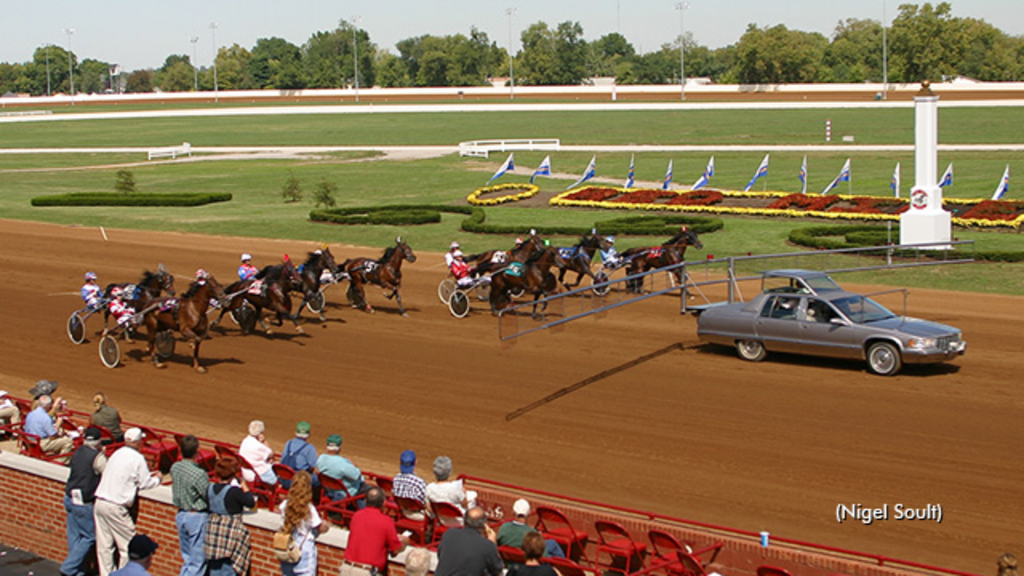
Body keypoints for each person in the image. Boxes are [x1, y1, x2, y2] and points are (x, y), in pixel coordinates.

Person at [94, 427, 162, 576]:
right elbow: (145, 483)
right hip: (116, 506)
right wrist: (158, 479)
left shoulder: (117, 454)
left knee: (104, 547)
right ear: (138, 442)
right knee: (128, 547)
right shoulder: (137, 458)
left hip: (100, 502)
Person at [61, 427, 108, 576]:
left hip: (69, 497)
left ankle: (78, 570)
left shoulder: (78, 451)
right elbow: (107, 473)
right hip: (83, 501)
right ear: (98, 441)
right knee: (90, 536)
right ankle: (69, 568)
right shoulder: (97, 457)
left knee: (74, 536)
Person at [339, 487, 410, 576]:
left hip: (347, 568)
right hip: (366, 571)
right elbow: (395, 548)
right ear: (384, 503)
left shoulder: (357, 516)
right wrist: (405, 542)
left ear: (365, 501)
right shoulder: (386, 521)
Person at [204, 457, 255, 576]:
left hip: (212, 536)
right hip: (229, 539)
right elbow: (251, 502)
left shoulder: (209, 489)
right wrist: (243, 484)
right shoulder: (234, 492)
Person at [170, 435, 209, 576]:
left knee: (187, 558)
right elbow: (207, 495)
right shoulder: (199, 474)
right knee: (197, 562)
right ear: (197, 452)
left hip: (181, 515)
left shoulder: (175, 467)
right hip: (196, 517)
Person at [278, 470, 324, 576]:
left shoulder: (285, 505)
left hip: (289, 548)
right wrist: (326, 526)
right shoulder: (309, 508)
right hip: (305, 550)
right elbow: (319, 527)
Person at [434, 507, 503, 576]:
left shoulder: (449, 534)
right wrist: (493, 544)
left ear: (464, 521)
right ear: (484, 525)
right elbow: (497, 570)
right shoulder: (487, 545)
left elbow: (440, 556)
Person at [496, 499, 564, 559]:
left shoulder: (504, 527)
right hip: (526, 559)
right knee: (552, 548)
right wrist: (539, 539)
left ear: (513, 512)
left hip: (510, 558)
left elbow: (498, 543)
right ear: (528, 514)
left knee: (552, 543)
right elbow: (544, 555)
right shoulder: (531, 533)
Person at [24, 394, 74, 462]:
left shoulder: (30, 414)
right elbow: (53, 435)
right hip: (40, 443)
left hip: (30, 440)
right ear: (48, 406)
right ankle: (61, 461)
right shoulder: (46, 418)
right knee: (68, 441)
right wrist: (58, 425)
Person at [316, 434, 366, 501]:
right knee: (370, 490)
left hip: (329, 490)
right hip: (346, 493)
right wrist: (354, 466)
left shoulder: (321, 459)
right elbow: (356, 475)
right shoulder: (343, 464)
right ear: (339, 448)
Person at [279, 421, 318, 489]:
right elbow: (315, 467)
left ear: (295, 433)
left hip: (283, 479)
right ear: (308, 435)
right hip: (297, 481)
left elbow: (282, 460)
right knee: (317, 479)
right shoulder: (309, 448)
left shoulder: (289, 443)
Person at [393, 450, 429, 521]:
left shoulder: (396, 479)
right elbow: (426, 502)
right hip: (420, 515)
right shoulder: (419, 482)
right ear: (415, 462)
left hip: (403, 511)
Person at [238, 420, 277, 485]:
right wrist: (264, 441)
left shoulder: (245, 440)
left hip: (244, 471)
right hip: (255, 474)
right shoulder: (258, 446)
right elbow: (272, 454)